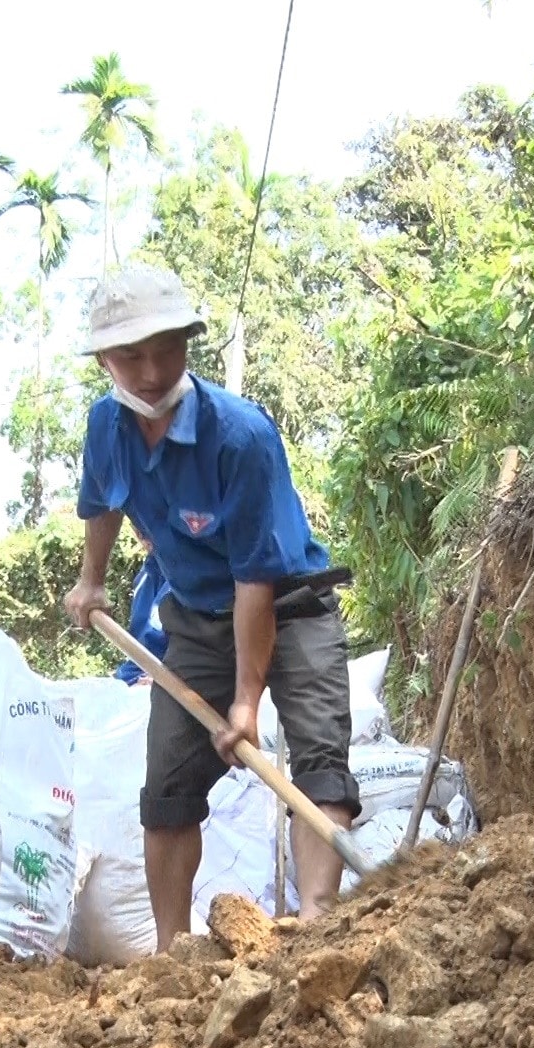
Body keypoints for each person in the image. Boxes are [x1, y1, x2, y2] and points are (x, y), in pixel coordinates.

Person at [61, 266, 360, 951]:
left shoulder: (241, 435)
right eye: (130, 355)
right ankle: (174, 951)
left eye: (166, 348)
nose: (150, 369)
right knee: (168, 778)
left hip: (290, 601)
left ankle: (316, 924)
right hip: (195, 615)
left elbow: (256, 581)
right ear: (104, 360)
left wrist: (247, 702)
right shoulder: (107, 425)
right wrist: (92, 580)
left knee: (318, 754)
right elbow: (103, 501)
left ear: (187, 344)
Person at [113, 527, 170, 685]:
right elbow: (139, 652)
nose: (140, 533)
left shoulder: (200, 572)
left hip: (175, 679)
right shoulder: (146, 576)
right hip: (137, 676)